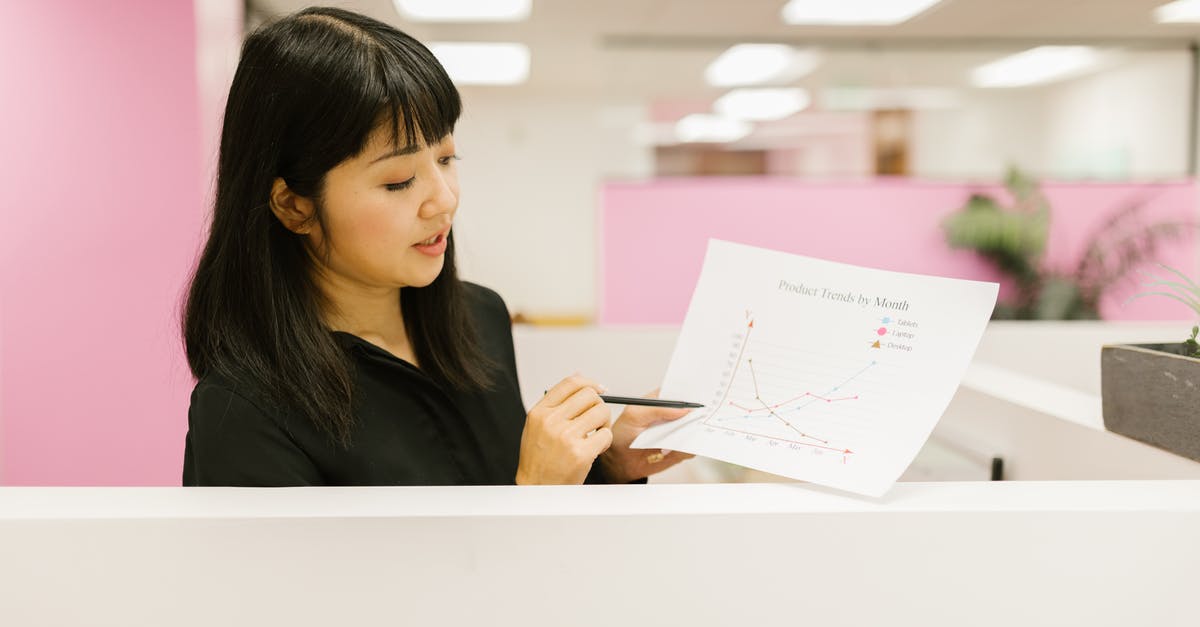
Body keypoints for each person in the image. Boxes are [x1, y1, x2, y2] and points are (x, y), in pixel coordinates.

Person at [179, 6, 693, 486]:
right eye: (399, 181)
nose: (443, 200)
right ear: (294, 206)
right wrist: (534, 496)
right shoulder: (242, 410)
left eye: (446, 159)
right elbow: (307, 586)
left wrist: (609, 465)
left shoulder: (480, 317)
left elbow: (496, 492)